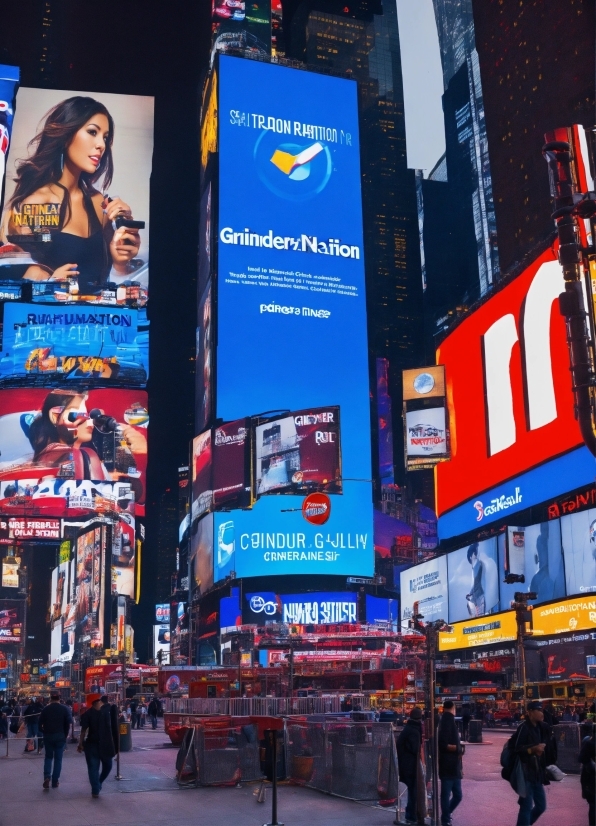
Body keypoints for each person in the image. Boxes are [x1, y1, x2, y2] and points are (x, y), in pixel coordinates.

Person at [0, 96, 141, 294]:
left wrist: (121, 261)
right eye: (92, 132)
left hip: (98, 320)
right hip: (47, 322)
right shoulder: (33, 204)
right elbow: (10, 287)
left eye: (105, 137)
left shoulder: (100, 204)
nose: (101, 144)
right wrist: (46, 285)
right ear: (66, 135)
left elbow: (111, 280)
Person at [514, 701, 557, 826]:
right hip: (526, 774)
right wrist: (532, 749)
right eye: (538, 710)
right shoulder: (524, 728)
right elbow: (517, 749)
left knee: (541, 806)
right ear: (530, 712)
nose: (541, 713)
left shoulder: (541, 727)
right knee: (526, 807)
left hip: (538, 774)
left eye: (541, 710)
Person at [77, 694, 118, 798]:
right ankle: (96, 787)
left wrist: (80, 744)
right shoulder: (105, 713)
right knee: (106, 766)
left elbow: (83, 731)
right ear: (98, 702)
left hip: (92, 744)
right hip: (103, 744)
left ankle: (96, 786)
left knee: (93, 768)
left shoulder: (89, 714)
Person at [438, 700, 464, 826]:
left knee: (456, 795)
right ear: (453, 708)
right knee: (450, 794)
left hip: (452, 765)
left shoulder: (447, 720)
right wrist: (459, 748)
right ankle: (445, 819)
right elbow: (443, 745)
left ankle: (446, 816)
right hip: (449, 765)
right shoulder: (447, 721)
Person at [39, 692, 71, 789]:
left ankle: (47, 777)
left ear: (51, 699)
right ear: (59, 699)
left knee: (48, 757)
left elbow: (39, 724)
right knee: (58, 759)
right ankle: (55, 781)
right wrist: (65, 734)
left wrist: (44, 731)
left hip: (48, 735)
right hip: (60, 736)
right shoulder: (65, 709)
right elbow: (68, 723)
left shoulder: (45, 709)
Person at [396, 707, 423, 825]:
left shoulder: (408, 728)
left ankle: (411, 814)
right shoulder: (415, 731)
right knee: (414, 790)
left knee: (412, 790)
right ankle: (411, 815)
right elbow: (415, 749)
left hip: (405, 763)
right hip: (410, 765)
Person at [579, 724, 595, 826]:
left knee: (593, 805)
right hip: (591, 780)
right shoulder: (590, 744)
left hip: (589, 780)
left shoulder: (589, 742)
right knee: (593, 805)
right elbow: (582, 759)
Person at [465, 543, 485, 616]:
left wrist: (471, 594)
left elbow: (476, 582)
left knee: (481, 616)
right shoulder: (474, 566)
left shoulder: (477, 564)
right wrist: (470, 593)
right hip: (477, 596)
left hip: (479, 595)